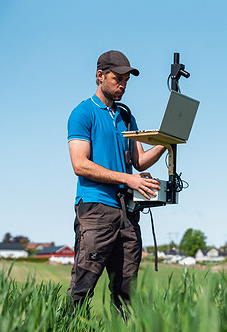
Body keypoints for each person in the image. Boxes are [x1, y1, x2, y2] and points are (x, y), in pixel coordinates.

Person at [67, 50, 165, 315]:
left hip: (127, 213)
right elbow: (80, 164)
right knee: (83, 285)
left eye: (126, 80)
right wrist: (128, 180)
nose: (122, 85)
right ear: (100, 76)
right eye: (117, 78)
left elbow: (139, 161)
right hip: (96, 208)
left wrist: (166, 142)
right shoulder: (82, 113)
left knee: (127, 288)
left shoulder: (126, 117)